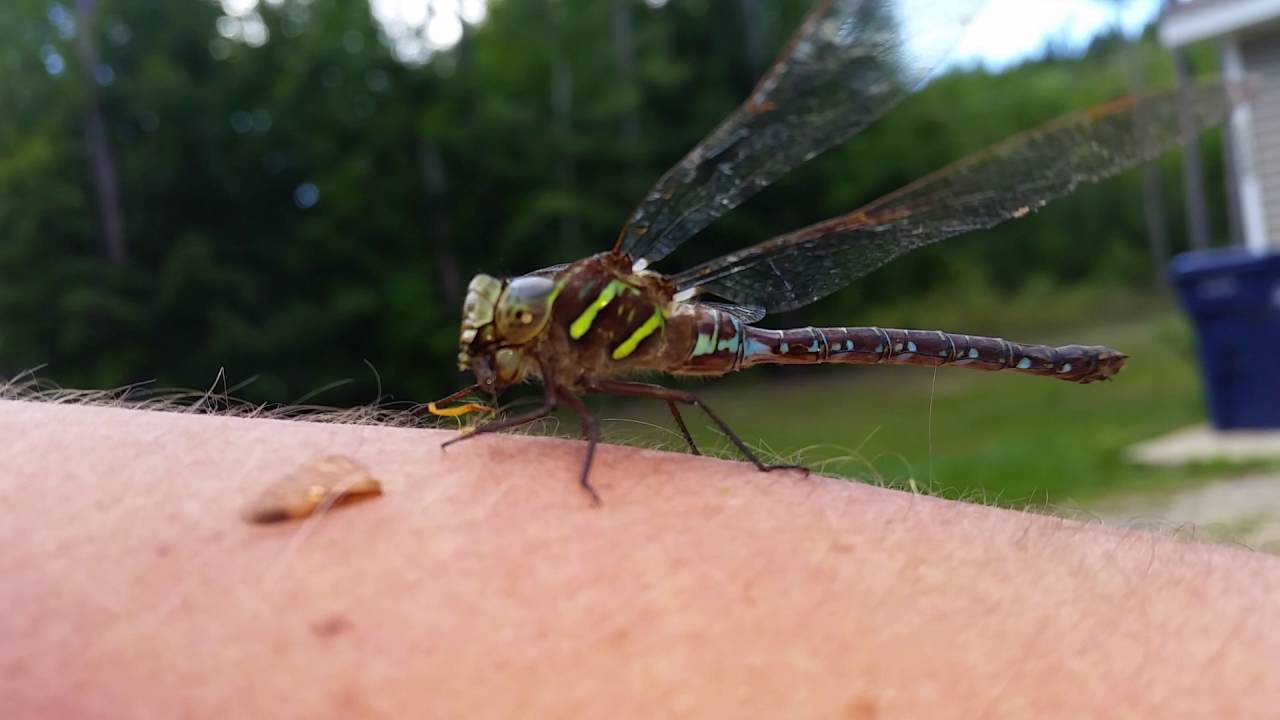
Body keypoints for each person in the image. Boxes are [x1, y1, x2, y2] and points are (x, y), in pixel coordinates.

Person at [4, 398, 1277, 718]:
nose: (493, 337)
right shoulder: (539, 357)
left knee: (647, 420)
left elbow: (608, 419)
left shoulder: (594, 354)